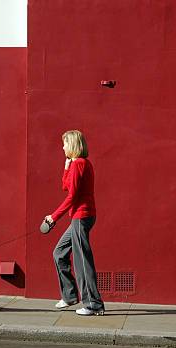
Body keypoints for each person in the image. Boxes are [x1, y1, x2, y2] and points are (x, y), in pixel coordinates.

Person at [45, 130, 105, 316]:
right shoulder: (76, 164)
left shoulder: (80, 163)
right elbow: (66, 186)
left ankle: (93, 303)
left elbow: (72, 196)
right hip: (80, 217)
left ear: (72, 145)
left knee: (82, 261)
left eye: (64, 144)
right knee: (59, 253)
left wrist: (53, 217)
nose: (62, 147)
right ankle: (70, 296)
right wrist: (65, 167)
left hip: (82, 217)